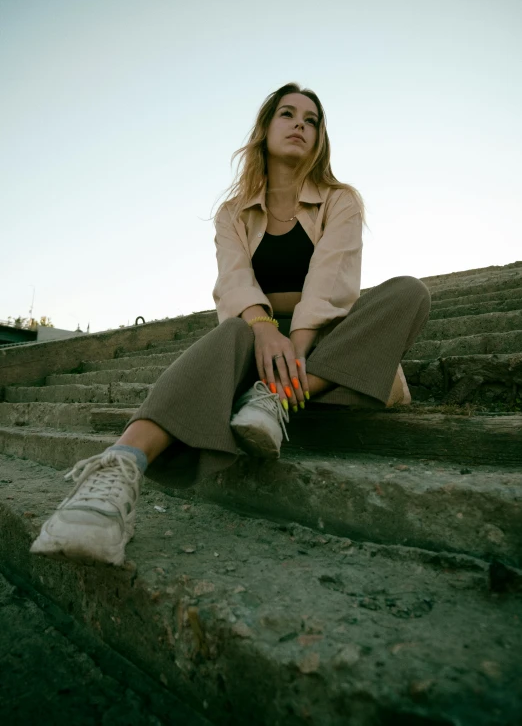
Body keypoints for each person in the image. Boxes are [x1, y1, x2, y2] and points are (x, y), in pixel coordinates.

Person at [30, 82, 431, 567]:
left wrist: (292, 353)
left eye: (312, 119)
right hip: (258, 342)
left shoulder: (340, 200)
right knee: (235, 331)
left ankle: (277, 397)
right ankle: (114, 476)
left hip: (325, 345)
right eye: (288, 114)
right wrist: (264, 327)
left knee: (409, 292)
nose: (300, 124)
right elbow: (234, 279)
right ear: (264, 129)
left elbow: (331, 278)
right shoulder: (232, 212)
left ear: (321, 138)